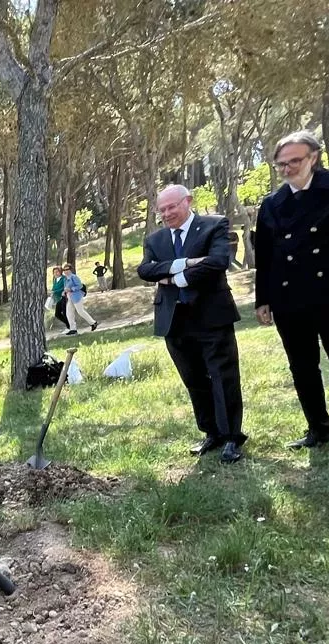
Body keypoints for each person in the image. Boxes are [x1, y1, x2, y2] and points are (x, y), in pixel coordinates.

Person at [255, 130, 329, 455]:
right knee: (302, 366)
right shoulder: (272, 203)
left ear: (314, 157)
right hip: (289, 297)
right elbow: (265, 254)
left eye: (295, 161)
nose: (288, 169)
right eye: (281, 164)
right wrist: (263, 299)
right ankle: (317, 429)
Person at [138, 184, 246, 462]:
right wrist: (184, 264)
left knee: (223, 377)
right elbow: (145, 270)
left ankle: (231, 437)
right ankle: (211, 432)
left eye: (172, 207)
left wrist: (175, 279)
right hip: (174, 321)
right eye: (162, 210)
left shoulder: (214, 225)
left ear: (188, 201)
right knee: (194, 379)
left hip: (212, 317)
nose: (166, 214)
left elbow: (218, 262)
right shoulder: (155, 239)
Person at [60, 263, 100, 335]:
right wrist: (64, 292)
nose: (65, 271)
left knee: (80, 311)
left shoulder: (74, 277)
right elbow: (66, 288)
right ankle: (73, 329)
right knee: (69, 313)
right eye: (64, 270)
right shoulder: (65, 279)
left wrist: (71, 289)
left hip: (77, 297)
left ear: (70, 270)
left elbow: (80, 286)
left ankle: (93, 323)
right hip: (70, 298)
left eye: (67, 269)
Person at [50, 265, 70, 331]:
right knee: (57, 314)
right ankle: (69, 325)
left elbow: (64, 288)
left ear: (60, 272)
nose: (55, 273)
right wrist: (52, 291)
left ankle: (70, 327)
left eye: (57, 272)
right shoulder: (55, 279)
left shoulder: (64, 278)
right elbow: (54, 287)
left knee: (65, 313)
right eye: (54, 272)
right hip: (58, 299)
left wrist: (55, 291)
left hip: (64, 298)